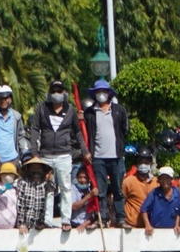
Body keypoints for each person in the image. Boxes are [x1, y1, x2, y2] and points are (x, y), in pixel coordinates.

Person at [30, 80, 86, 218]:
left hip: (64, 155)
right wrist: (34, 152)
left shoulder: (70, 110)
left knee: (66, 187)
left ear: (64, 93)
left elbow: (78, 131)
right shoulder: (42, 109)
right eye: (53, 91)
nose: (56, 94)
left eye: (59, 91)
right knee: (48, 188)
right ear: (49, 93)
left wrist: (84, 150)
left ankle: (65, 219)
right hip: (46, 155)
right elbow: (35, 129)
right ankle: (47, 219)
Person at [84, 80, 129, 226]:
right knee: (101, 191)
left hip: (116, 157)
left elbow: (125, 129)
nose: (101, 94)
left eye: (103, 91)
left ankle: (120, 218)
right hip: (98, 158)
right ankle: (101, 218)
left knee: (118, 190)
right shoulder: (89, 113)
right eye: (98, 92)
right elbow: (85, 132)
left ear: (109, 93)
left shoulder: (119, 110)